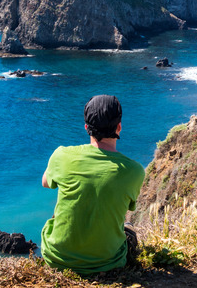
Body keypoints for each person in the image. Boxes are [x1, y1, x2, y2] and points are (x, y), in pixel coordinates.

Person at [41, 95, 145, 274]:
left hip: (56, 258)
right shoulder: (135, 171)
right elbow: (128, 205)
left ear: (86, 127)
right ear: (119, 127)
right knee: (128, 230)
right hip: (108, 262)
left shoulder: (61, 155)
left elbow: (45, 183)